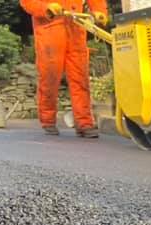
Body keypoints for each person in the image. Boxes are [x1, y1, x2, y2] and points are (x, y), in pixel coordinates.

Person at [19, 0, 109, 138]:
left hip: (76, 26)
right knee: (50, 77)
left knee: (80, 78)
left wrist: (99, 11)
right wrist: (46, 8)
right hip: (50, 28)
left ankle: (84, 123)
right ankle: (48, 120)